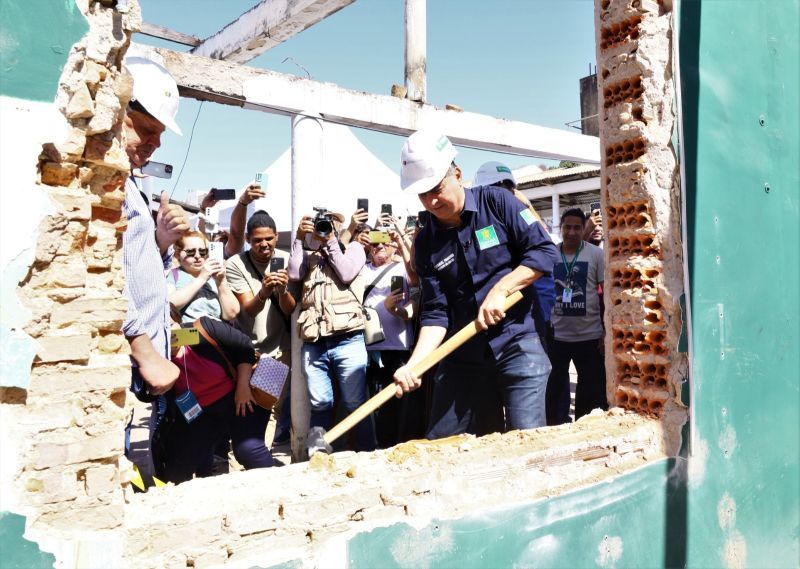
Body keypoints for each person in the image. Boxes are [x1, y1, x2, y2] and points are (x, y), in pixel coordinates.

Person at [393, 130, 558, 438]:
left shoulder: (498, 202)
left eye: (436, 188)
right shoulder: (427, 242)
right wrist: (415, 364)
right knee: (444, 443)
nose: (432, 200)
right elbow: (436, 314)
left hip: (518, 342)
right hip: (464, 353)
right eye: (422, 194)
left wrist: (502, 289)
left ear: (457, 174)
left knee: (526, 439)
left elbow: (545, 251)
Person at [121, 54, 188, 419]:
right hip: (132, 360)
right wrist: (144, 352)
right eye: (148, 130)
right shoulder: (108, 187)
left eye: (160, 134)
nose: (156, 144)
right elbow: (104, 280)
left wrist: (161, 242)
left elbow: (134, 266)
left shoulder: (129, 183)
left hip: (146, 364)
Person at [153, 310, 276, 484]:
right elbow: (146, 393)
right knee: (178, 466)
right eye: (163, 329)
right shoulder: (154, 355)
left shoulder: (199, 331)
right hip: (200, 412)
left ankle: (275, 486)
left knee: (248, 449)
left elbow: (245, 347)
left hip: (238, 397)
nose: (171, 333)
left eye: (172, 325)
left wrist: (242, 387)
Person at [288, 210, 376, 452]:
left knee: (355, 402)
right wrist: (298, 238)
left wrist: (332, 243)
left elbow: (346, 273)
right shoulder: (308, 255)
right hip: (314, 341)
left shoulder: (355, 250)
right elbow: (294, 274)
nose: (324, 230)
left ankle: (367, 453)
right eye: (321, 227)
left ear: (341, 230)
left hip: (348, 339)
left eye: (330, 227)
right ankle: (320, 455)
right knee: (320, 403)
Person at [225, 210, 295, 445]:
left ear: (276, 236)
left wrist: (283, 290)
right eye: (257, 240)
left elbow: (290, 309)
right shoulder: (237, 264)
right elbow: (249, 309)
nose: (264, 245)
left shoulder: (288, 261)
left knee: (268, 408)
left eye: (268, 239)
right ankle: (240, 459)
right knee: (242, 406)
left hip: (276, 350)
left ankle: (258, 456)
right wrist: (264, 291)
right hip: (246, 350)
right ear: (247, 240)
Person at [473, 161, 556, 352]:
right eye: (497, 189)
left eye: (507, 190)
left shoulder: (525, 223)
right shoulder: (478, 228)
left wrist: (525, 205)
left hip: (532, 323)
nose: (501, 196)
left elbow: (546, 246)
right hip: (495, 326)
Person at [362, 228, 422, 447]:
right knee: (377, 404)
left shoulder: (401, 267)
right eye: (374, 242)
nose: (378, 247)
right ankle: (381, 446)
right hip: (370, 349)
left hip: (399, 346)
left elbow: (415, 277)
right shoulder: (361, 270)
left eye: (383, 242)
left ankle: (404, 445)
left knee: (403, 400)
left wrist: (402, 242)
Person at [546, 208, 607, 425]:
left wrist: (605, 332)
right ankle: (557, 428)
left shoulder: (596, 254)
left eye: (577, 227)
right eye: (567, 227)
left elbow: (606, 295)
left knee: (590, 395)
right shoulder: (550, 254)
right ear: (560, 228)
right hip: (557, 338)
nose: (571, 232)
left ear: (584, 229)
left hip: (589, 337)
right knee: (553, 392)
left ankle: (585, 428)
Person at [167, 230, 239, 324]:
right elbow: (169, 304)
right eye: (190, 252)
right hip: (189, 332)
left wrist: (221, 282)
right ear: (178, 254)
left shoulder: (215, 276)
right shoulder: (173, 275)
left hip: (216, 333)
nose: (197, 256)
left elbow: (232, 313)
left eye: (202, 251)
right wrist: (201, 278)